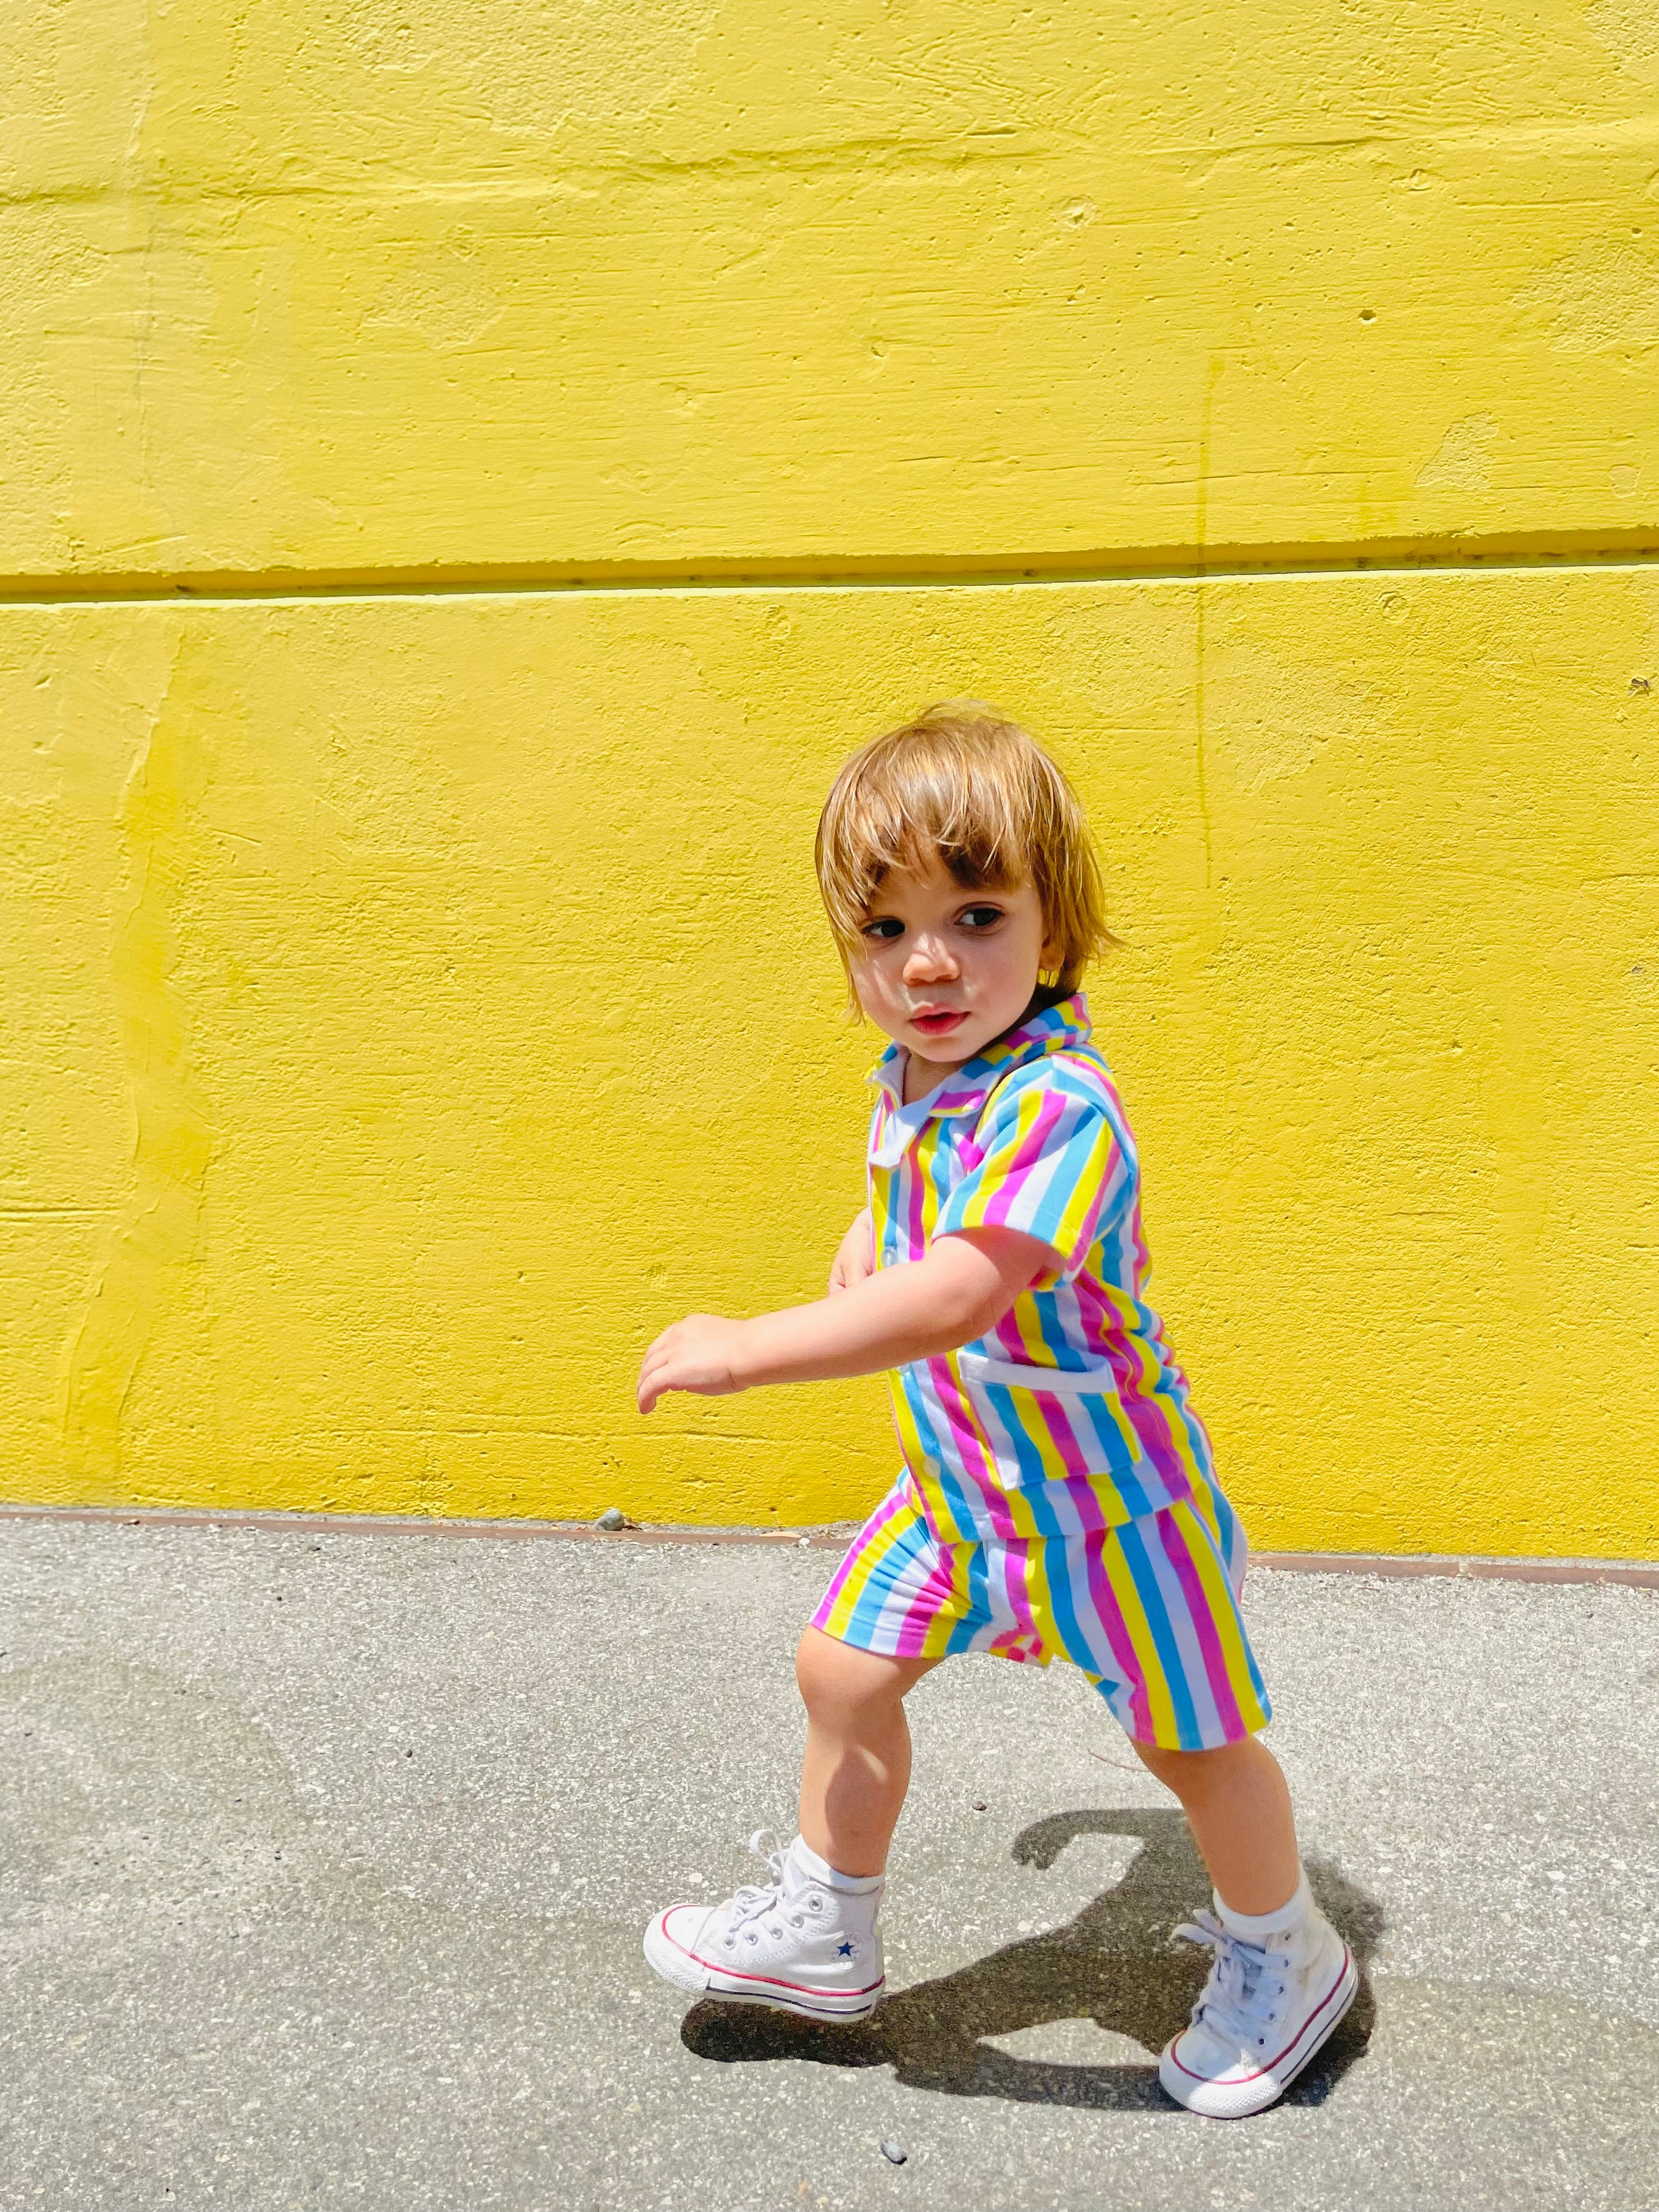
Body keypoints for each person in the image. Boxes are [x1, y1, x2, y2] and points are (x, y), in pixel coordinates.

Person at [635, 703, 1356, 2118]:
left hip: (1107, 1511)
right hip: (961, 1493)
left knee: (1189, 1743)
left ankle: (1290, 1951)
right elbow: (901, 1222)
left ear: (1054, 921)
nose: (927, 963)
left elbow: (962, 1291)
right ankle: (828, 1928)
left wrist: (751, 1346)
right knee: (841, 1673)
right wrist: (859, 1246)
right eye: (882, 929)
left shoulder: (1060, 1110)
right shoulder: (915, 1076)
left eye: (974, 914)